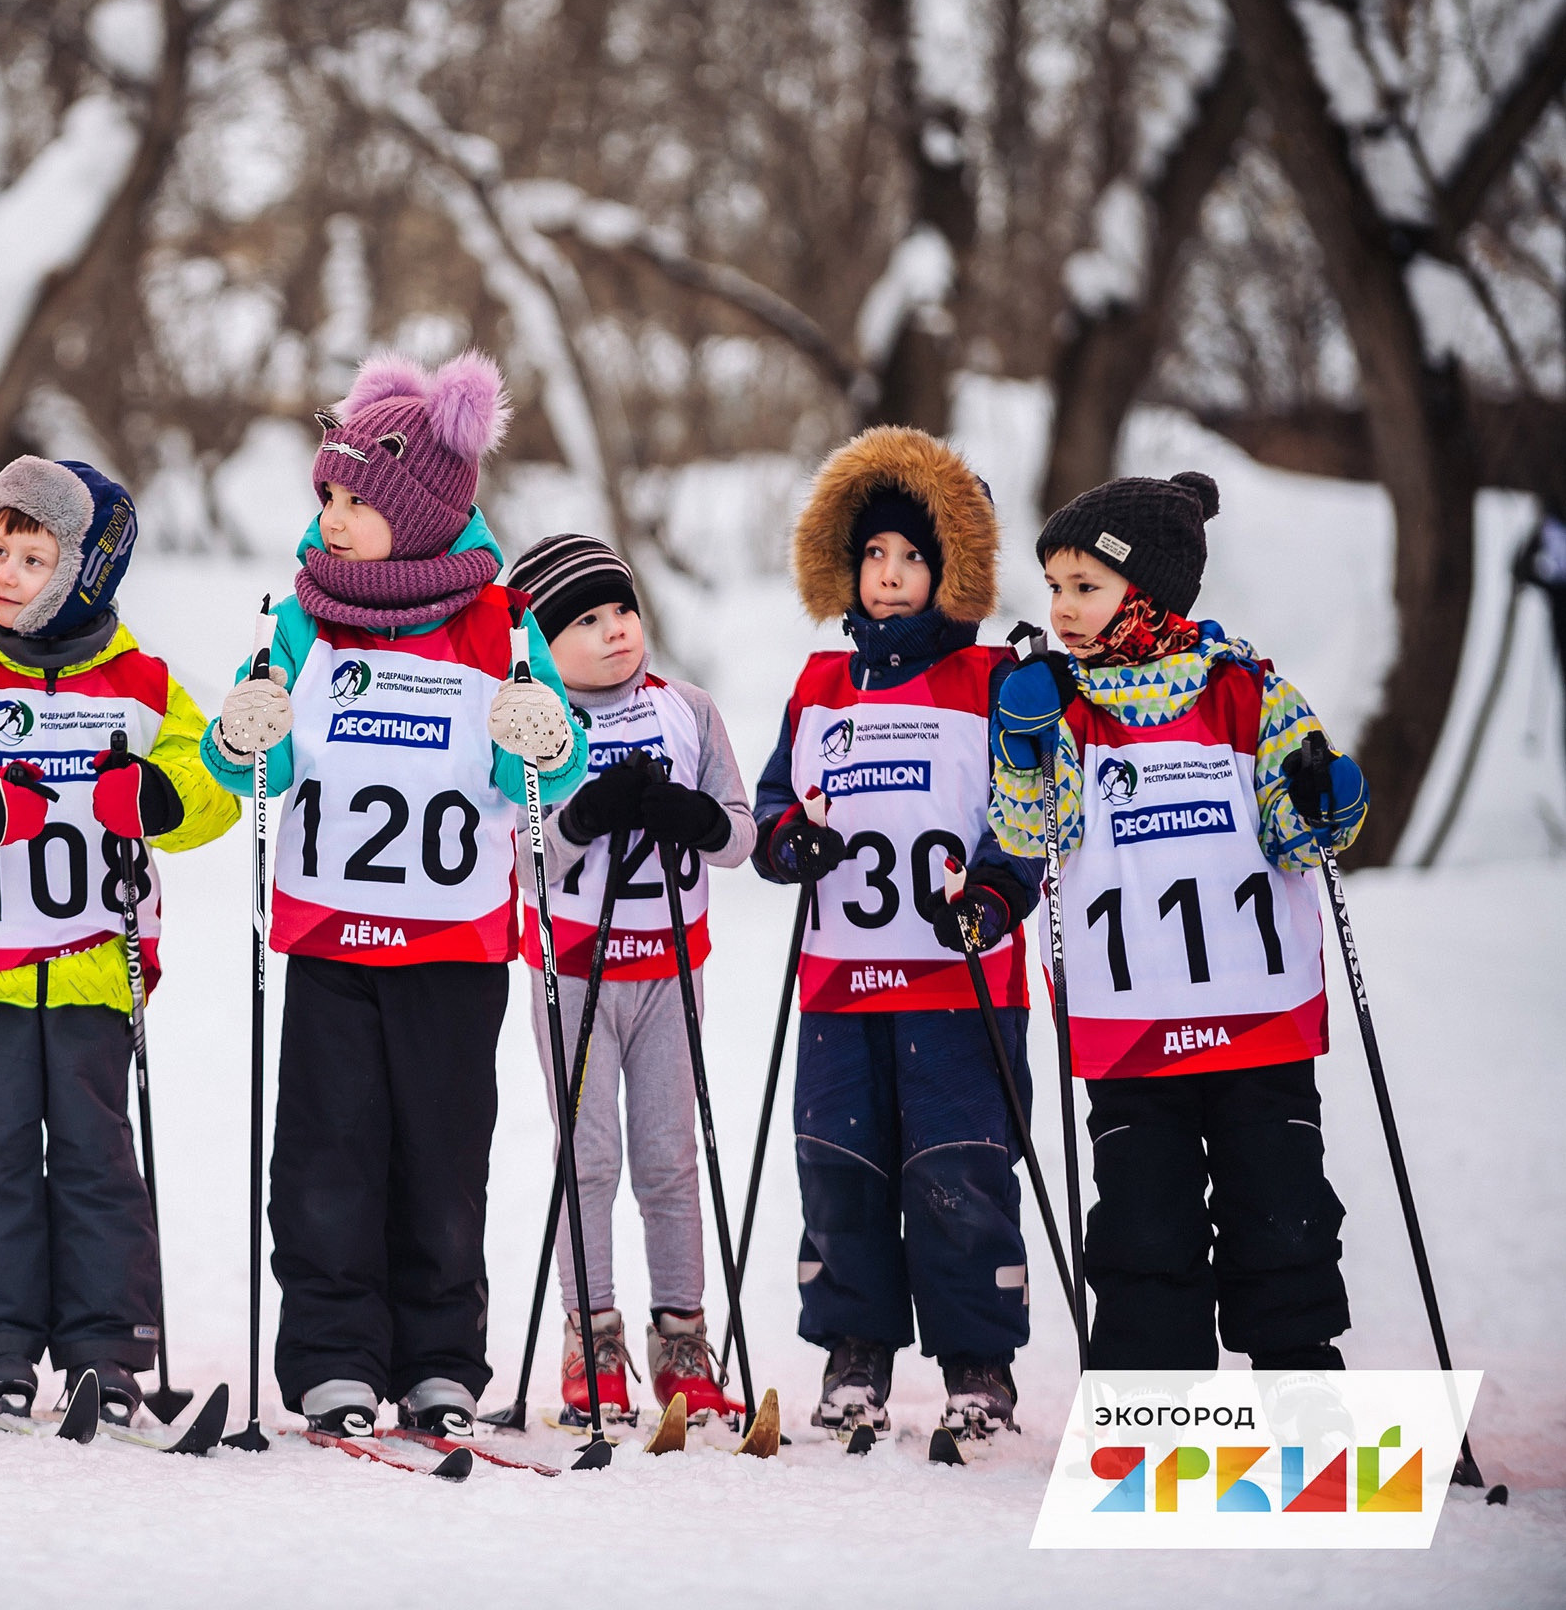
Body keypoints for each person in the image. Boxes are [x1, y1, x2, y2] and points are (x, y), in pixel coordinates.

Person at [201, 351, 587, 1438]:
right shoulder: (304, 615)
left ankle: (437, 1358)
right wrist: (240, 736)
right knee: (324, 1157)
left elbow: (549, 770)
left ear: (417, 513)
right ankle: (332, 1355)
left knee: (440, 1155)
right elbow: (252, 760)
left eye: (354, 501)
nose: (330, 519)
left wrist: (543, 740)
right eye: (324, 496)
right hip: (329, 938)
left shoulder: (498, 624)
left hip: (454, 948)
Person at [0, 456, 235, 1428]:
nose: (6, 572)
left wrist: (160, 795)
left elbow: (211, 782)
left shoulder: (140, 682)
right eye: (0, 549)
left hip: (91, 969)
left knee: (93, 1159)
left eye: (35, 556)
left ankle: (106, 1349)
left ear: (86, 572)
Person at [991, 470, 1359, 1372]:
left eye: (1087, 586)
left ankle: (1301, 1401)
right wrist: (1022, 749)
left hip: (1257, 1017)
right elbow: (1032, 833)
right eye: (1055, 588)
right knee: (1143, 1226)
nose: (1065, 607)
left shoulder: (1249, 692)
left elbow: (1298, 838)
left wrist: (1326, 800)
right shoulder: (1061, 700)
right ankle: (1157, 1422)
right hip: (1130, 1025)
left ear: (1147, 593)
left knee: (1281, 1212)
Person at [750, 426, 1039, 1445]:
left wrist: (997, 898)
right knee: (840, 1167)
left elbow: (1023, 819)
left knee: (959, 1170)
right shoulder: (821, 682)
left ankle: (977, 1363)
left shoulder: (995, 677)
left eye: (911, 556)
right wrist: (792, 845)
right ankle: (854, 1350)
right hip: (841, 980)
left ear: (952, 565)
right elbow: (775, 806)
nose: (888, 575)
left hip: (959, 981)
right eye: (873, 554)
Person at [502, 533, 756, 1426]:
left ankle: (683, 1340)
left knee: (668, 1158)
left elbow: (739, 837)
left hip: (669, 973)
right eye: (585, 621)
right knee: (591, 1154)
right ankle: (592, 1334)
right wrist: (585, 816)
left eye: (623, 611)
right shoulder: (532, 724)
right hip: (572, 971)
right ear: (541, 641)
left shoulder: (686, 708)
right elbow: (519, 854)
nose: (614, 631)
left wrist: (688, 816)